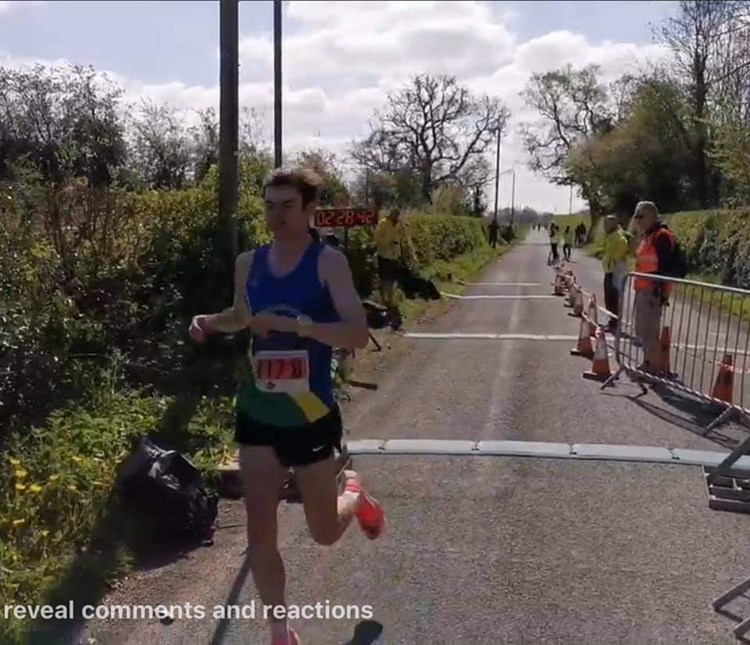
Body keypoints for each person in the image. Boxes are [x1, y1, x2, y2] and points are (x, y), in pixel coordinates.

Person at [188, 167, 386, 645]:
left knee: (322, 533)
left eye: (287, 205)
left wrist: (301, 327)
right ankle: (280, 631)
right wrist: (211, 322)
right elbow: (243, 315)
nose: (276, 216)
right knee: (261, 530)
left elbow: (357, 332)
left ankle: (354, 497)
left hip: (309, 412)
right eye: (269, 205)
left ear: (310, 208)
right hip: (258, 410)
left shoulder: (327, 262)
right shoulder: (247, 262)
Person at [632, 201, 675, 374]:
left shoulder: (661, 236)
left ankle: (654, 369)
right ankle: (647, 363)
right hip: (642, 289)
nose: (637, 221)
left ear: (651, 216)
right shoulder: (647, 236)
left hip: (652, 291)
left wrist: (662, 292)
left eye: (640, 216)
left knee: (650, 331)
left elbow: (666, 267)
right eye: (636, 217)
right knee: (643, 329)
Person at [373, 207, 412, 329]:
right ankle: (384, 300)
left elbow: (399, 239)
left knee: (392, 279)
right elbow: (377, 238)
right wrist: (388, 243)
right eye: (395, 215)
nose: (397, 218)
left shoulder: (397, 225)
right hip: (384, 255)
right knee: (385, 278)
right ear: (391, 215)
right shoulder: (383, 223)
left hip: (393, 256)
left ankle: (390, 300)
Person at [601, 215, 629, 333]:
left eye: (607, 223)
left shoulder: (618, 235)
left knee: (613, 297)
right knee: (609, 297)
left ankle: (614, 323)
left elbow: (623, 244)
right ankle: (612, 322)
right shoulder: (611, 235)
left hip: (615, 270)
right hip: (610, 269)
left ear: (613, 224)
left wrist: (614, 259)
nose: (604, 226)